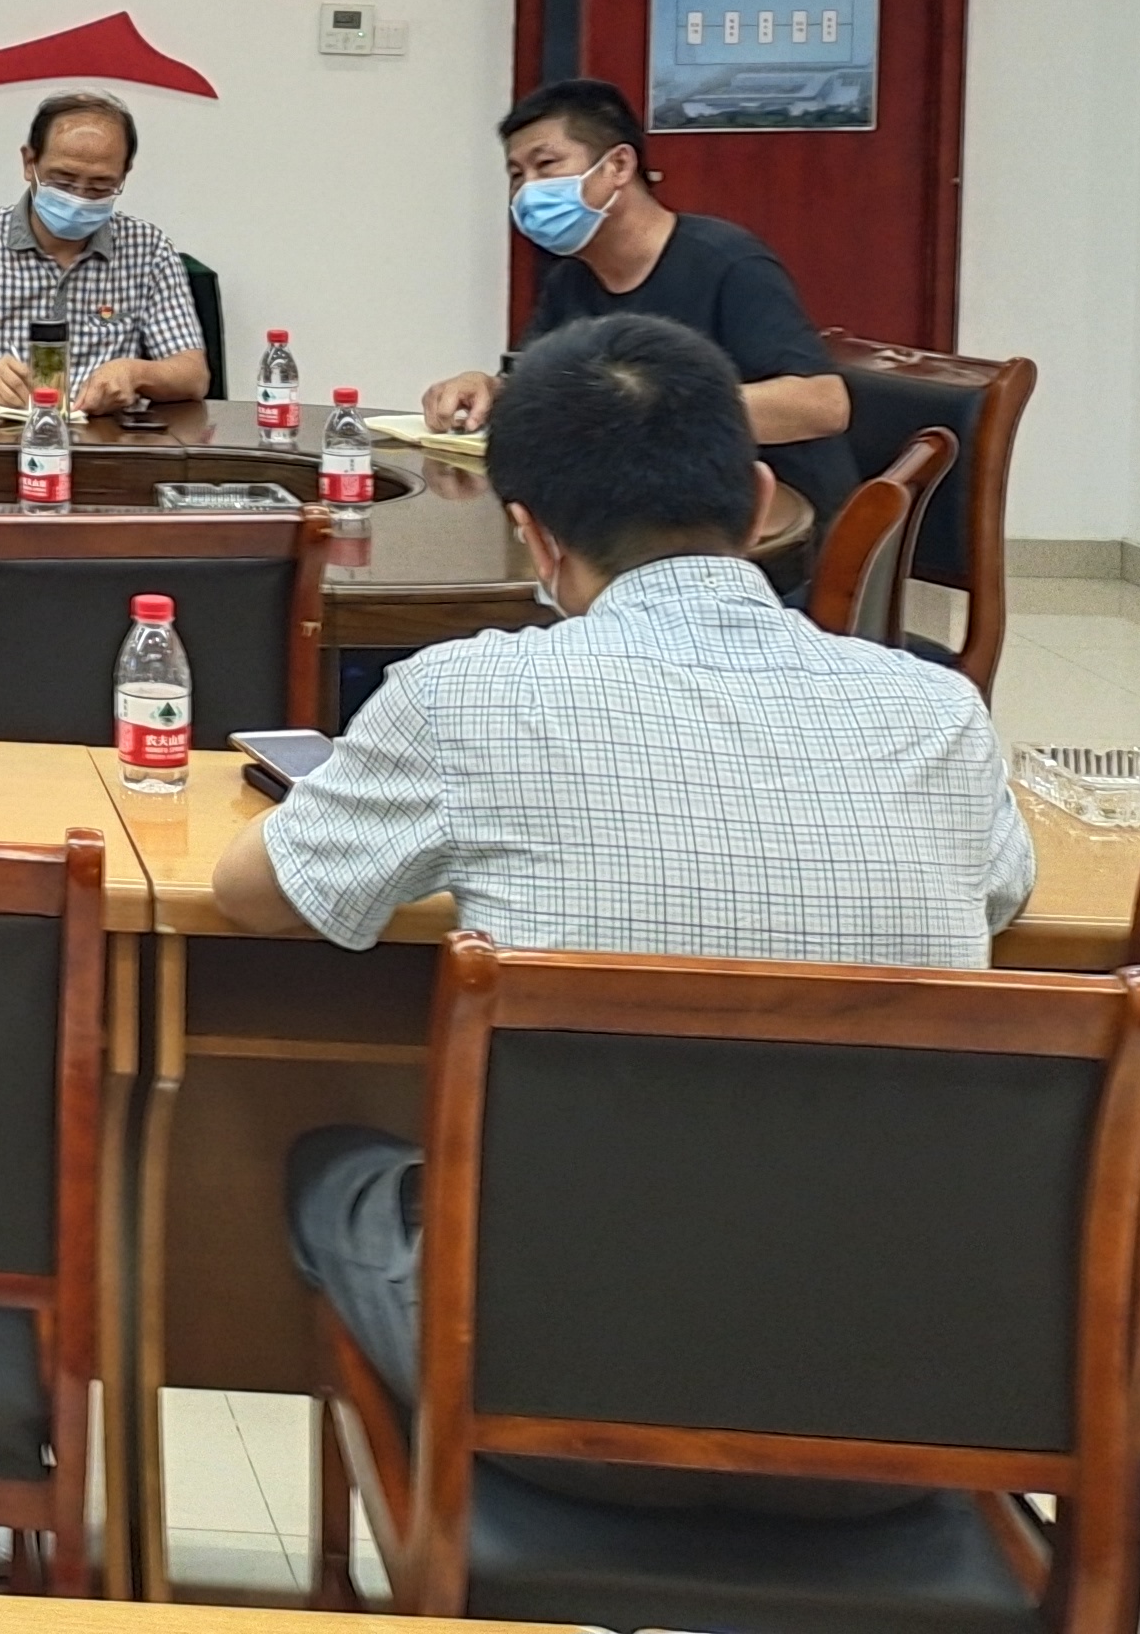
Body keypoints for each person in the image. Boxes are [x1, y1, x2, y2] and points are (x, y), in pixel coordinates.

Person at [214, 315, 1030, 1500]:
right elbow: (1005, 892)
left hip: (555, 1408)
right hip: (912, 1413)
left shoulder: (466, 696)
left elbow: (253, 896)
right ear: (759, 501)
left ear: (532, 535)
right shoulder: (937, 712)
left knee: (332, 1160)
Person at [422, 75, 857, 527]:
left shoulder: (727, 261)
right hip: (640, 513)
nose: (528, 191)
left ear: (618, 165)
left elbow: (823, 405)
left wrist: (643, 411)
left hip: (770, 524)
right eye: (516, 176)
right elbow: (542, 389)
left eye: (545, 164)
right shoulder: (571, 278)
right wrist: (489, 390)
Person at [0, 90, 206, 418]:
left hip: (106, 436)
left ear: (124, 174)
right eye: (63, 182)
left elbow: (193, 375)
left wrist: (137, 373)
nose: (79, 198)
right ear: (29, 163)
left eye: (99, 186)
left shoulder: (148, 250)